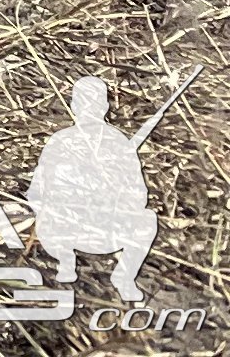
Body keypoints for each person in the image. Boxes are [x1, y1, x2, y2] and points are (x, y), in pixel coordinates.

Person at [27, 78, 158, 302]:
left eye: (94, 103)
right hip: (66, 228)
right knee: (45, 215)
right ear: (75, 107)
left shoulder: (118, 142)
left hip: (107, 228)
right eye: (85, 103)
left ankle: (124, 277)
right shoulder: (60, 141)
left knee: (147, 219)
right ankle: (66, 262)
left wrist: (111, 199)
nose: (89, 110)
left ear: (104, 107)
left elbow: (139, 194)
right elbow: (36, 193)